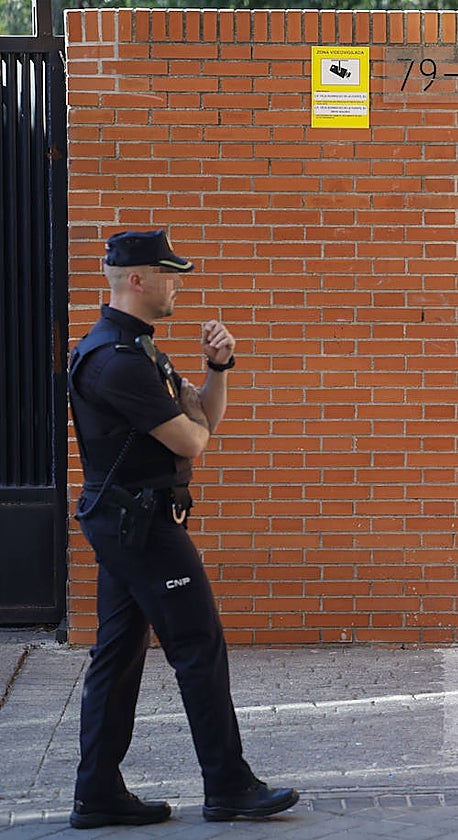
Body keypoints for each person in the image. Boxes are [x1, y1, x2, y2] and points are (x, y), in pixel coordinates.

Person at [67, 230, 299, 829]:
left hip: (128, 522)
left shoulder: (143, 353)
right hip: (140, 526)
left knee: (117, 655)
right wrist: (194, 412)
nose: (177, 285)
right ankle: (228, 786)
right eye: (168, 275)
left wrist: (217, 369)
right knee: (198, 645)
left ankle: (97, 794)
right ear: (137, 279)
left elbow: (203, 417)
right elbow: (193, 440)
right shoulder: (115, 362)